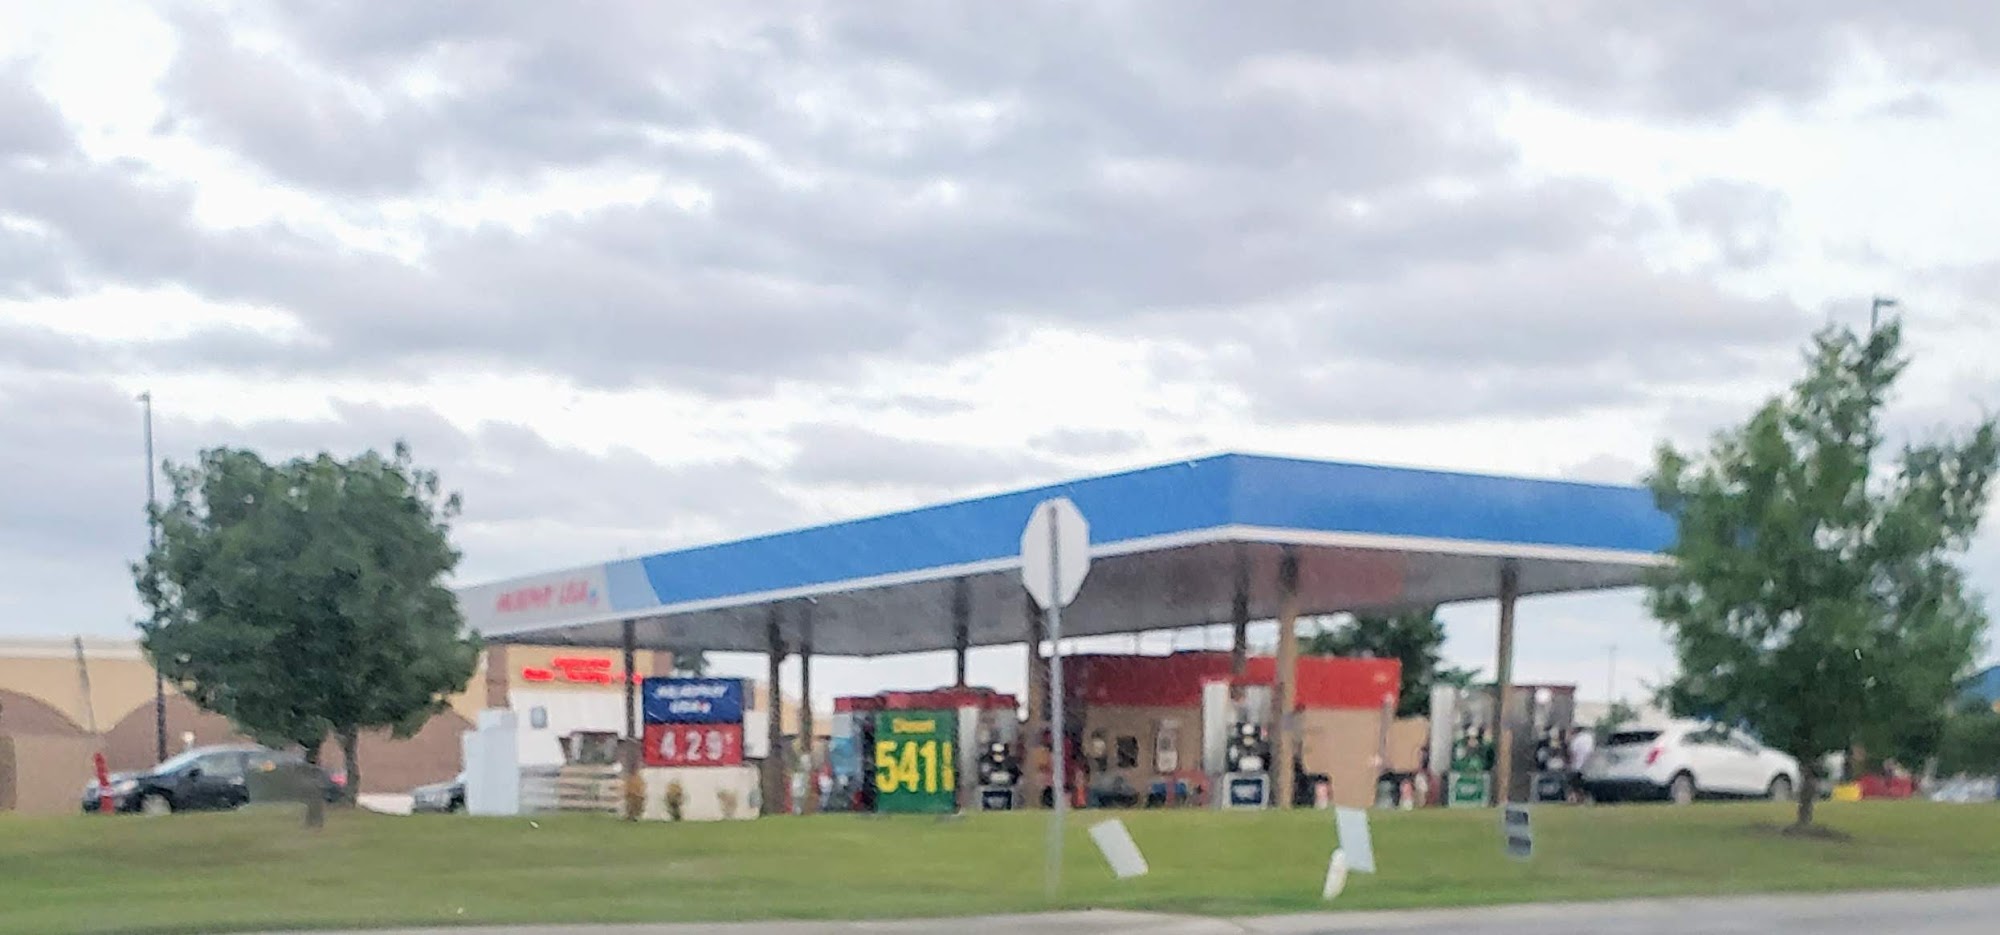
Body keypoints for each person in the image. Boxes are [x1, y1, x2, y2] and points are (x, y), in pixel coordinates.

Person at [1566, 726, 1595, 802]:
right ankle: (1584, 798)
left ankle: (1577, 798)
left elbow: (1572, 753)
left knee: (1576, 785)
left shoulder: (1576, 739)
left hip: (1577, 766)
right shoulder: (1590, 737)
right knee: (1585, 785)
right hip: (1588, 767)